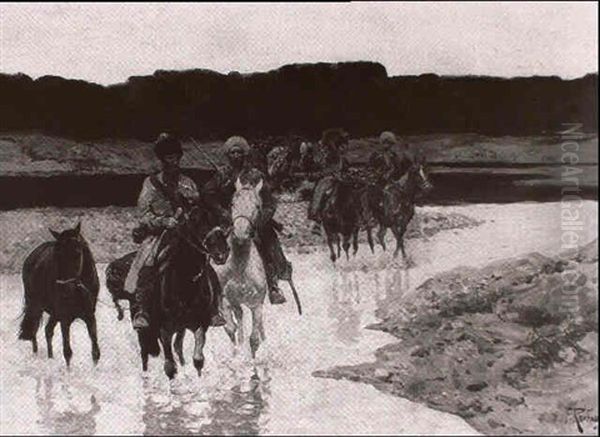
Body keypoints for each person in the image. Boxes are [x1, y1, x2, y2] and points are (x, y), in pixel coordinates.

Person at [125, 133, 225, 330]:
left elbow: (200, 208)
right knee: (148, 263)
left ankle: (214, 309)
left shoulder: (188, 182)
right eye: (169, 158)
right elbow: (143, 214)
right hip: (160, 234)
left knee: (205, 262)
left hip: (187, 233)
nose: (174, 161)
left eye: (176, 157)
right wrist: (163, 221)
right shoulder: (151, 184)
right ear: (162, 160)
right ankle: (142, 310)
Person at [202, 135, 290, 305]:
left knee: (268, 243)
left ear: (244, 155)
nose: (236, 156)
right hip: (228, 219)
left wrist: (260, 220)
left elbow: (269, 202)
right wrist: (222, 209)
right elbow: (207, 194)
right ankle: (210, 289)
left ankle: (272, 285)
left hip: (252, 219)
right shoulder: (222, 175)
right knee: (210, 244)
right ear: (228, 155)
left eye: (239, 152)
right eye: (233, 153)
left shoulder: (255, 175)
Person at [306, 128, 351, 235]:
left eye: (344, 146)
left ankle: (315, 217)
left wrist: (319, 174)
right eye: (342, 146)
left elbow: (330, 170)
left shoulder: (334, 154)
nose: (344, 148)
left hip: (331, 178)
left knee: (320, 188)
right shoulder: (332, 154)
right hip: (334, 177)